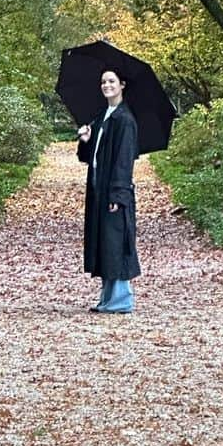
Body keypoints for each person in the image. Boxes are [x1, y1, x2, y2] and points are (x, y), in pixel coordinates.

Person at [76, 68, 140, 313]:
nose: (106, 85)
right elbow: (90, 157)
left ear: (122, 84)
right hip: (98, 188)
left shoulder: (125, 119)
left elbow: (124, 160)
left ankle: (121, 299)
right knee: (104, 242)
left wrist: (118, 194)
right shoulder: (103, 116)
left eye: (112, 81)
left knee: (116, 242)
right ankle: (108, 298)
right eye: (103, 81)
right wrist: (85, 140)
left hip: (114, 192)